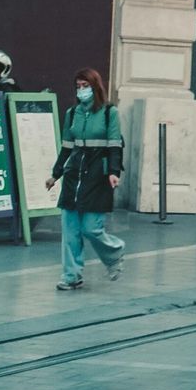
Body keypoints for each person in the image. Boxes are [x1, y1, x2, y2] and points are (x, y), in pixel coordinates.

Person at [45, 67, 125, 290]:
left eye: (85, 86)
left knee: (91, 228)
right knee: (70, 230)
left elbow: (115, 146)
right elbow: (66, 148)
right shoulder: (72, 113)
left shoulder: (110, 113)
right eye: (78, 86)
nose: (81, 90)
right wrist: (55, 174)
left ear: (95, 86)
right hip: (73, 176)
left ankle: (114, 253)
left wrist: (113, 173)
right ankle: (71, 275)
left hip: (97, 176)